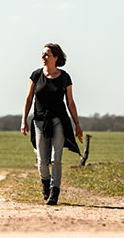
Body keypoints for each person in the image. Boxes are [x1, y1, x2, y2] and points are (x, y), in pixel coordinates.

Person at [21, 43, 83, 205]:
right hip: (40, 122)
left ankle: (55, 191)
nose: (43, 57)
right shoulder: (35, 75)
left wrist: (77, 124)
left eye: (47, 54)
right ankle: (45, 184)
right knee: (42, 160)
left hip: (59, 121)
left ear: (56, 57)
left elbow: (70, 102)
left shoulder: (64, 77)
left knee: (56, 157)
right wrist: (24, 120)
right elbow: (28, 99)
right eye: (42, 54)